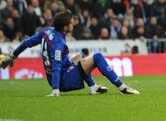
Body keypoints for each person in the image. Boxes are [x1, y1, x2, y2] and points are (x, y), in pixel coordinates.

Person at [0, 10, 140, 96]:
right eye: (72, 23)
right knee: (97, 57)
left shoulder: (47, 31)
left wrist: (13, 55)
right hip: (63, 80)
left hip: (59, 75)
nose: (74, 24)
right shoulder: (58, 44)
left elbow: (26, 42)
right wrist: (55, 90)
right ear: (66, 27)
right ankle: (122, 87)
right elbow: (56, 65)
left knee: (80, 55)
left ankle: (93, 88)